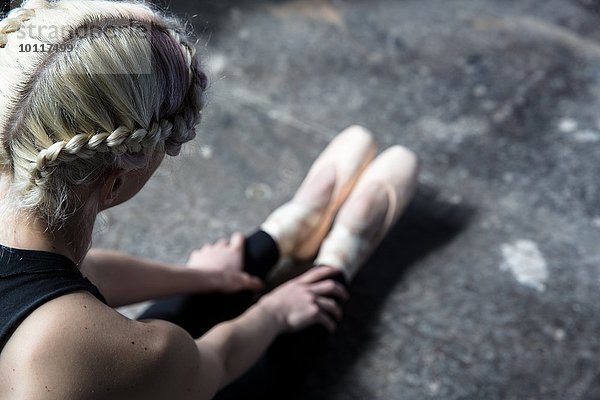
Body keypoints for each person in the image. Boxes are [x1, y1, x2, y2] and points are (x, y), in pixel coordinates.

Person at [0, 1, 419, 399]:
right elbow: (215, 362)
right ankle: (334, 267)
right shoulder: (109, 354)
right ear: (114, 182)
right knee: (255, 362)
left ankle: (283, 236)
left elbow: (72, 274)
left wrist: (196, 276)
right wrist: (274, 312)